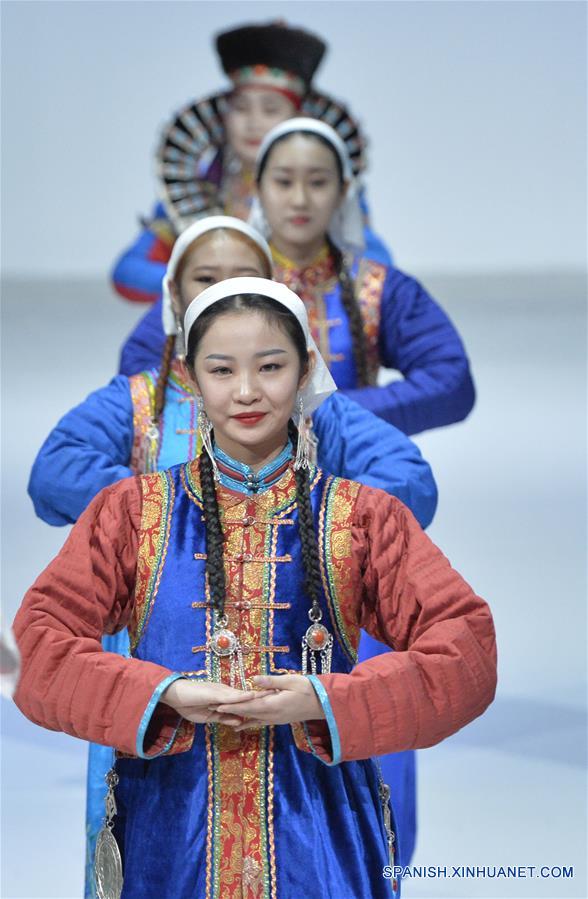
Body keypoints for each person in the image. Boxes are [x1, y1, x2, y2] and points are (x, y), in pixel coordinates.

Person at [14, 277, 497, 899]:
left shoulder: (363, 516)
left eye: (270, 366)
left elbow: (467, 652)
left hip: (321, 838)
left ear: (305, 371)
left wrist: (327, 701)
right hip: (169, 835)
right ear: (190, 377)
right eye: (222, 370)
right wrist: (162, 693)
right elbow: (34, 649)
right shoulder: (131, 512)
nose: (246, 391)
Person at [122, 118, 476, 436]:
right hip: (225, 478)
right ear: (258, 188)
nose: (300, 199)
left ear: (343, 190)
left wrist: (327, 415)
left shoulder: (379, 287)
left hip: (349, 471)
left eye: (318, 182)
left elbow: (451, 382)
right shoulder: (227, 280)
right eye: (283, 182)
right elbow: (138, 375)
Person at [113, 20, 390, 308]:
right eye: (241, 108)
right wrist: (210, 284)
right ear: (224, 116)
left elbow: (378, 266)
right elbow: (127, 273)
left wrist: (293, 283)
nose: (253, 122)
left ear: (298, 117)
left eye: (270, 109)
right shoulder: (199, 190)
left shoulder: (325, 193)